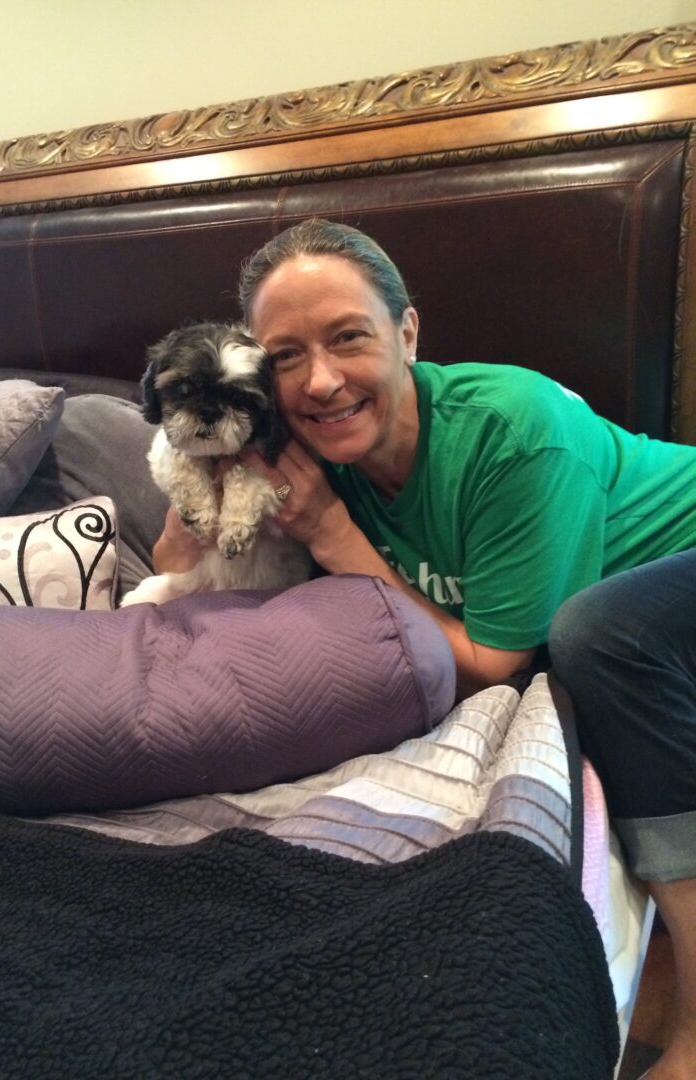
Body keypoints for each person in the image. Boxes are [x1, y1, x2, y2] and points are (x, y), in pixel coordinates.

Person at [150, 217, 696, 1079]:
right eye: (285, 356)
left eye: (349, 338)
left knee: (596, 636)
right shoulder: (296, 450)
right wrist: (206, 460)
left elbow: (487, 666)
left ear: (407, 332)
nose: (322, 381)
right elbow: (173, 564)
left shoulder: (512, 429)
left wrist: (332, 532)